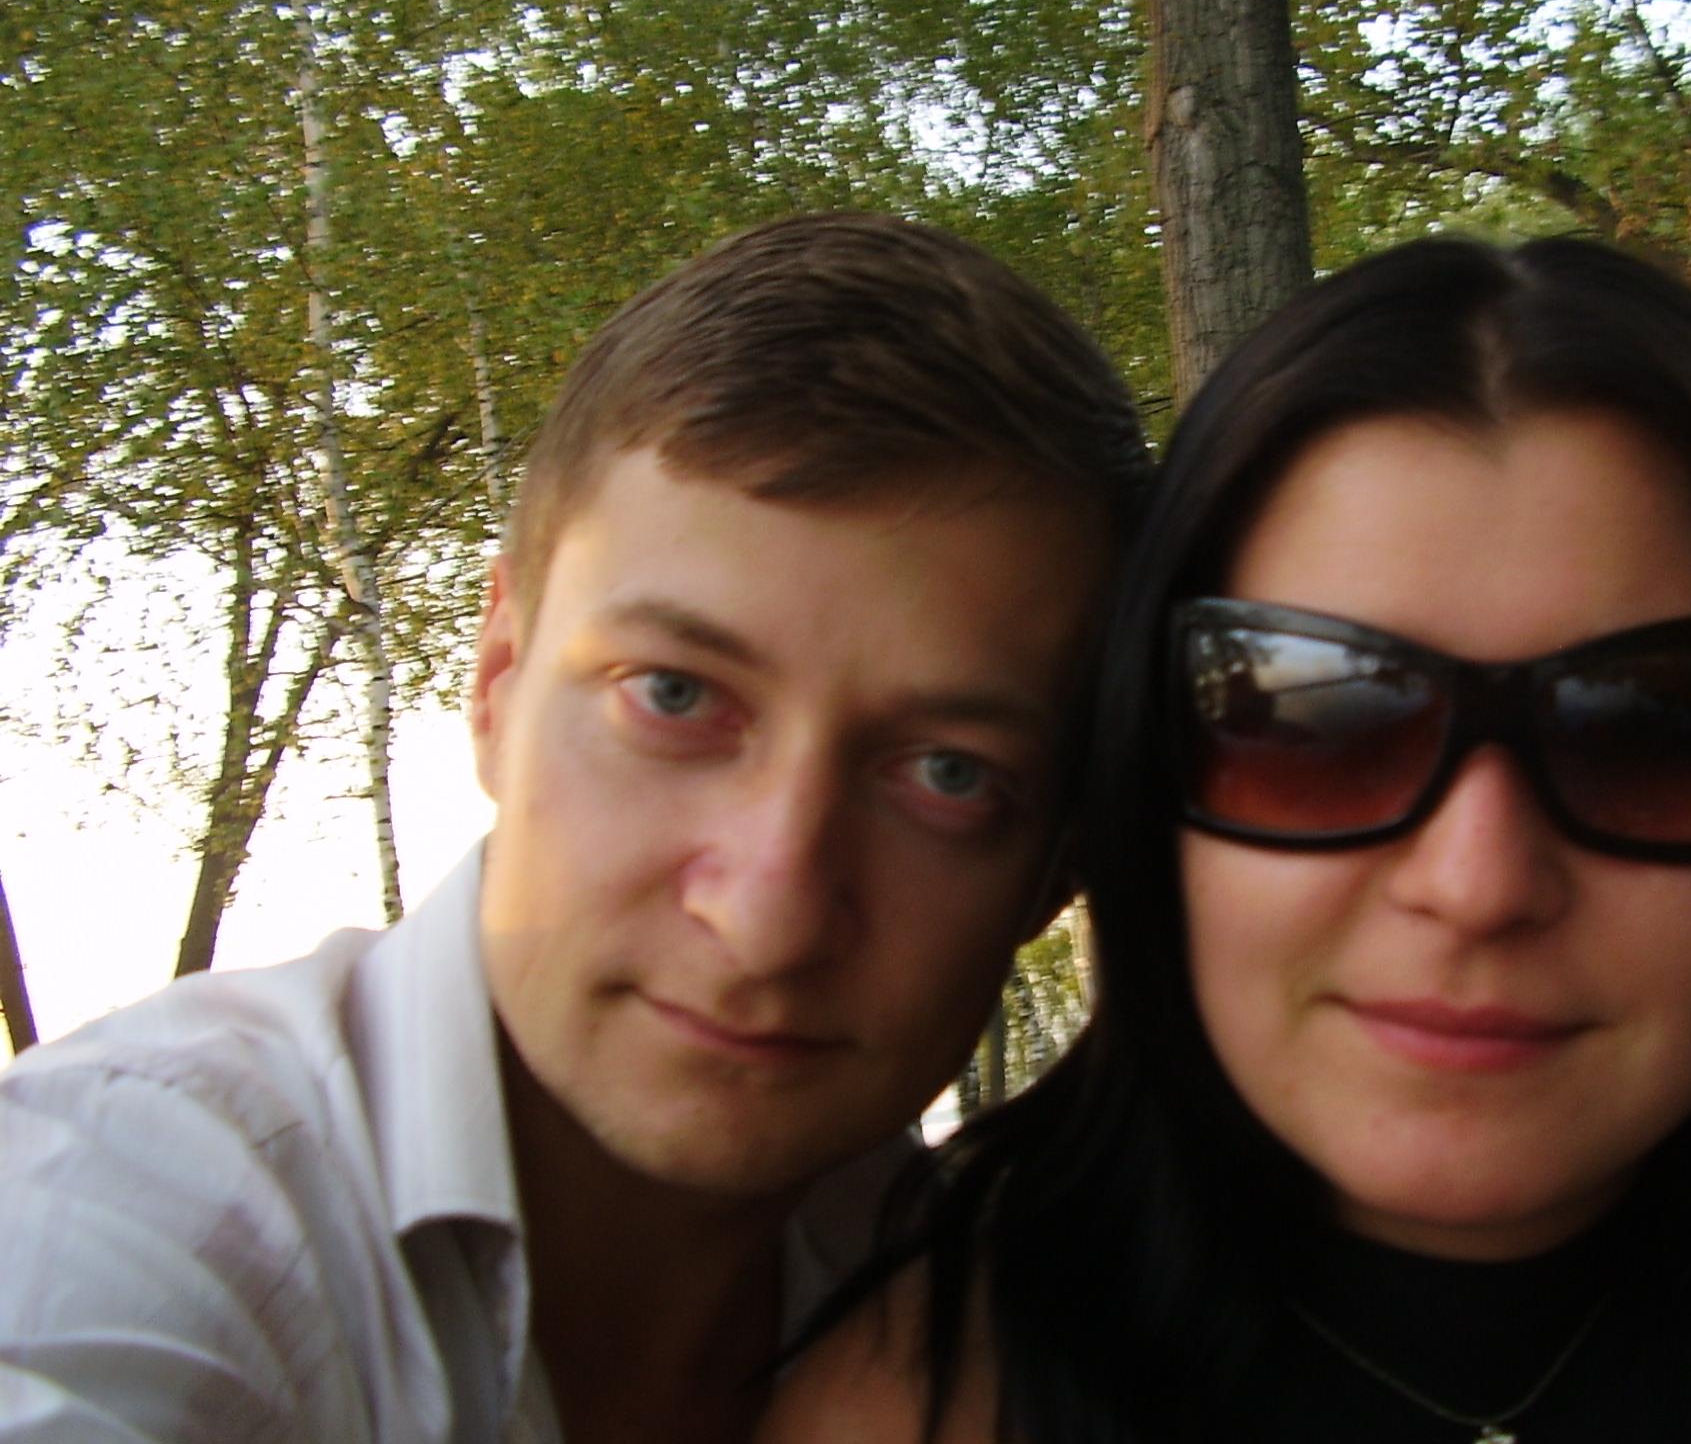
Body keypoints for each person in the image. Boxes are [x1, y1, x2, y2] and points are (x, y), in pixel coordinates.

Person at [760, 235, 1691, 1443]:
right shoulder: (915, 1403)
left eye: (1648, 738)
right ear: (1145, 793)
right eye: (1315, 722)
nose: (1476, 882)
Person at [0, 212, 1151, 1443]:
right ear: (497, 680)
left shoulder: (1010, 1320)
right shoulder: (112, 1204)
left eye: (947, 774)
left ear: (1056, 867)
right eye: (675, 696)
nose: (765, 918)